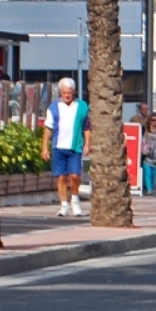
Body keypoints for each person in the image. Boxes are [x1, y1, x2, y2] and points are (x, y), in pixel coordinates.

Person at [41, 77, 92, 217]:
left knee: (75, 175)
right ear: (60, 92)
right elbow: (48, 128)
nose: (66, 95)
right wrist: (44, 147)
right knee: (61, 177)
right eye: (64, 92)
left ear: (73, 92)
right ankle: (63, 205)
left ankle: (75, 201)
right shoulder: (53, 107)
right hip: (58, 146)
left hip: (75, 146)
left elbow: (87, 127)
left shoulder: (82, 106)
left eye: (69, 92)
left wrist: (88, 143)